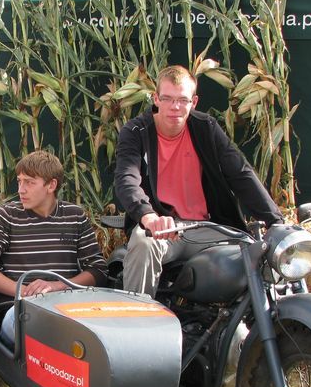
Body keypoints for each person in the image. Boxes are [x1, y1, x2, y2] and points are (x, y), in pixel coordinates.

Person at [115, 64, 284, 296]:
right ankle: (137, 322)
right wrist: (148, 216)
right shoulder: (136, 131)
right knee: (144, 244)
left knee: (256, 250)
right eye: (167, 99)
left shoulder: (206, 127)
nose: (175, 107)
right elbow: (126, 178)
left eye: (182, 100)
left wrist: (275, 221)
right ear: (156, 99)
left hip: (205, 228)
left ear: (193, 102)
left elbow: (241, 173)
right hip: (165, 228)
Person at [0, 150, 107, 346]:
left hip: (69, 308)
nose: (21, 190)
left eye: (29, 182)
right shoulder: (7, 216)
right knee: (51, 332)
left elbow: (98, 270)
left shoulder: (75, 216)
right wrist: (26, 292)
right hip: (20, 310)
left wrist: (57, 286)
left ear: (51, 185)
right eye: (19, 181)